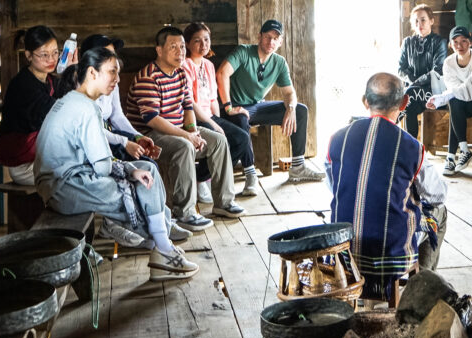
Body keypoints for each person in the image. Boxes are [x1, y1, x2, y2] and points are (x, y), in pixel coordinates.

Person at [34, 46, 198, 277]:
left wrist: (131, 168)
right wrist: (129, 171)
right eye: (112, 72)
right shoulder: (86, 108)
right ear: (92, 73)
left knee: (147, 168)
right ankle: (162, 246)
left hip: (62, 183)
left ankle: (160, 241)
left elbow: (99, 159)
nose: (117, 79)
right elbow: (101, 166)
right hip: (63, 189)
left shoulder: (73, 100)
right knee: (140, 184)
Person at [328, 72, 448, 300]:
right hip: (390, 254)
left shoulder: (337, 139)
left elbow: (333, 185)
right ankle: (423, 291)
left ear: (365, 101)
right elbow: (438, 194)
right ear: (404, 103)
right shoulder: (411, 146)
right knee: (439, 214)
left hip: (342, 251)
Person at [127, 26, 244, 231]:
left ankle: (224, 202)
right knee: (184, 147)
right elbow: (152, 119)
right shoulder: (149, 76)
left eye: (182, 46)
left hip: (179, 128)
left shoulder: (181, 73)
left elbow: (188, 107)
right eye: (173, 47)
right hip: (149, 136)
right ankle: (186, 213)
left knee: (218, 140)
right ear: (159, 50)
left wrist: (193, 131)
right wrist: (186, 136)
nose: (180, 51)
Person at [216, 19, 324, 182]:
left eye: (275, 38)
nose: (271, 42)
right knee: (242, 117)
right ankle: (250, 173)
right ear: (259, 36)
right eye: (267, 37)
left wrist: (291, 109)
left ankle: (298, 167)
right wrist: (228, 107)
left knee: (300, 110)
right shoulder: (243, 52)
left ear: (280, 42)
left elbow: (289, 93)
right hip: (236, 109)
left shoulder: (279, 63)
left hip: (258, 107)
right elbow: (222, 73)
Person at [180, 22, 256, 199]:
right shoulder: (185, 65)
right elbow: (190, 102)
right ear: (189, 44)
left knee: (240, 133)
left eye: (206, 39)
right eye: (197, 41)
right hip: (194, 118)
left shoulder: (208, 65)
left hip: (210, 115)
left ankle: (202, 176)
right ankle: (201, 179)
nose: (203, 44)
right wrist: (215, 124)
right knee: (229, 137)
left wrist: (223, 118)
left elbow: (213, 99)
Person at [0, 26, 62, 185]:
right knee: (78, 179)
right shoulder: (23, 85)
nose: (51, 59)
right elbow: (59, 111)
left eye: (55, 52)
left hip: (44, 157)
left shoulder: (51, 81)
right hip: (24, 164)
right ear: (28, 56)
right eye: (44, 54)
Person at [80, 34, 159, 165]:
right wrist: (125, 142)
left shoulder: (112, 80)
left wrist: (136, 136)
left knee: (147, 161)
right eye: (107, 54)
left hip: (108, 133)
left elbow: (117, 116)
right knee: (145, 165)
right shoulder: (80, 87)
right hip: (92, 142)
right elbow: (92, 130)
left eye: (113, 54)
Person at [425, 26, 472, 175]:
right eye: (455, 42)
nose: (459, 46)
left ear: (470, 43)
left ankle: (452, 157)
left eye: (464, 41)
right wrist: (446, 97)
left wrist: (441, 98)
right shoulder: (448, 63)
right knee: (455, 104)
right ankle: (456, 155)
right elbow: (457, 92)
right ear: (450, 44)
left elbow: (471, 90)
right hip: (461, 102)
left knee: (454, 103)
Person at [398, 4, 446, 138]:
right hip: (413, 93)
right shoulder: (407, 42)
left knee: (408, 97)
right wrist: (413, 82)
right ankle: (412, 145)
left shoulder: (439, 42)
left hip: (432, 92)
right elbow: (400, 69)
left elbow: (437, 70)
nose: (420, 24)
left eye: (423, 20)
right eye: (416, 21)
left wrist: (416, 83)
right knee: (409, 103)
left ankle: (387, 126)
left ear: (431, 21)